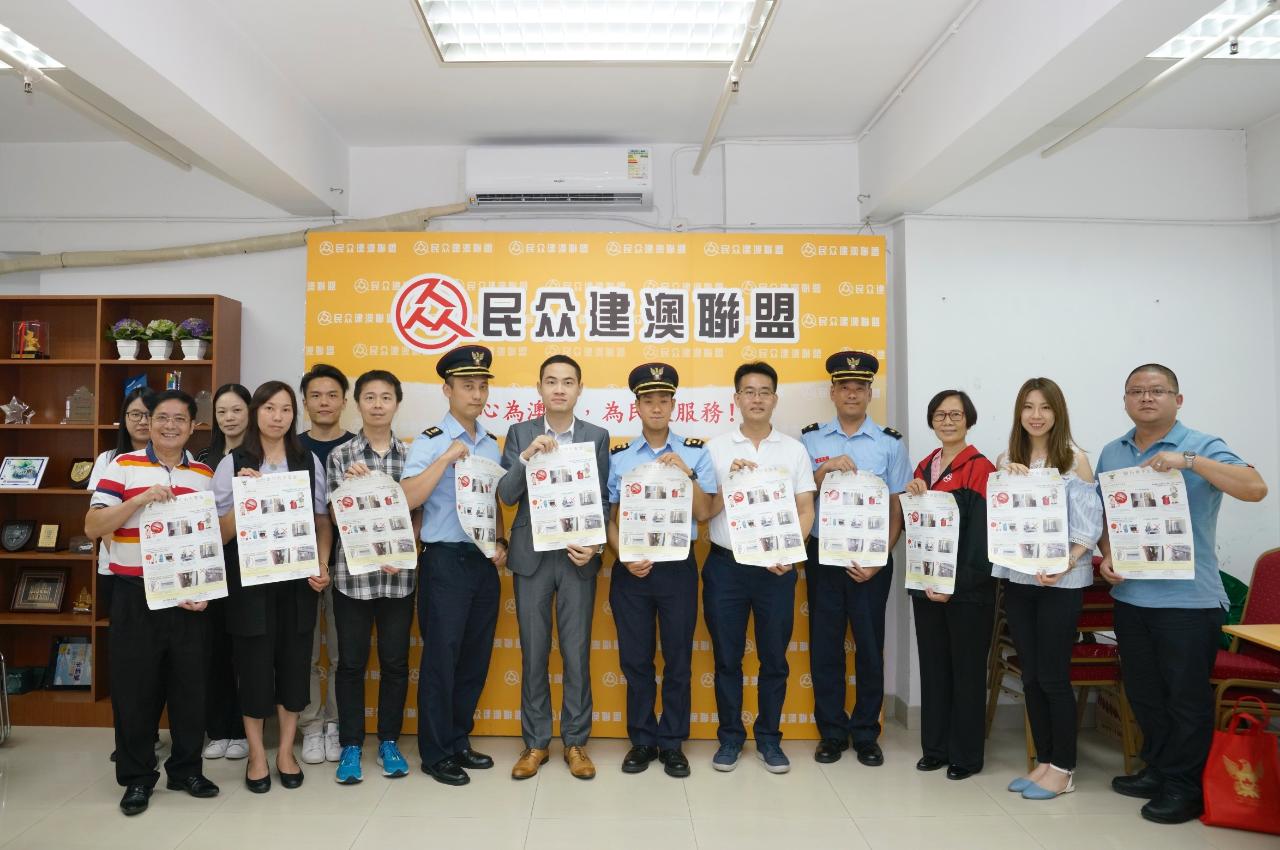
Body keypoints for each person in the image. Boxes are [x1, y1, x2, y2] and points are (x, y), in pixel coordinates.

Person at [1097, 364, 1266, 824]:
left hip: (1190, 602)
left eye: (1157, 390)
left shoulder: (1202, 445)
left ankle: (1186, 788)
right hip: (1132, 599)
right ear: (1125, 400)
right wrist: (1108, 554)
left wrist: (1188, 462)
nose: (1146, 398)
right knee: (1145, 694)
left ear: (1178, 399)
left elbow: (1255, 488)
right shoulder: (1113, 452)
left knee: (1186, 699)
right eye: (1136, 391)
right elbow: (1108, 518)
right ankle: (1158, 769)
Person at [85, 389, 220, 816]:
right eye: (161, 417)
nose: (169, 426)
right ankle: (137, 778)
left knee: (190, 689)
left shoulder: (204, 474)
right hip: (134, 595)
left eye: (180, 419)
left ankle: (186, 770)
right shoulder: (122, 466)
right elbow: (93, 526)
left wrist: (202, 588)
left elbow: (209, 539)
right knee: (134, 690)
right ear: (148, 421)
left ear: (193, 426)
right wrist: (139, 499)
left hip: (188, 598)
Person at [214, 381, 332, 793]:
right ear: (255, 413)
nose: (277, 417)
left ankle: (284, 751)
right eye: (269, 408)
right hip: (250, 585)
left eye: (285, 409)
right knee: (254, 667)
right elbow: (219, 533)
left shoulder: (307, 460)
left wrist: (322, 564)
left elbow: (321, 521)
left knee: (294, 666)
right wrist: (247, 494)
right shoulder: (232, 463)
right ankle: (256, 754)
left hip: (297, 583)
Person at [498, 355, 611, 781]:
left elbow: (603, 499)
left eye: (567, 382)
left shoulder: (596, 436)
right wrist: (526, 458)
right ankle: (536, 743)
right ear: (540, 388)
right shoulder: (520, 433)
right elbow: (507, 495)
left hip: (577, 556)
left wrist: (596, 546)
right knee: (534, 651)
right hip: (532, 556)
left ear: (579, 389)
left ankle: (576, 742)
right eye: (551, 381)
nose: (559, 389)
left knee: (576, 653)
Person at [400, 345, 507, 786]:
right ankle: (436, 751)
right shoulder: (429, 441)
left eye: (482, 386)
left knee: (474, 658)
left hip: (482, 563)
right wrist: (445, 458)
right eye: (467, 386)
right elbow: (407, 497)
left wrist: (501, 541)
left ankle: (459, 738)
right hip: (443, 560)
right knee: (441, 659)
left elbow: (493, 500)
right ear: (447, 390)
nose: (476, 394)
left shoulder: (492, 443)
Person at [606, 362, 717, 778]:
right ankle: (641, 740)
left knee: (677, 659)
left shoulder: (696, 452)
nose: (656, 407)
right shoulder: (621, 457)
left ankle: (672, 743)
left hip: (676, 568)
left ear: (674, 405)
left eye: (663, 400)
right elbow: (611, 518)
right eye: (648, 400)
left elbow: (704, 513)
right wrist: (623, 555)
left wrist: (686, 474)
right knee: (636, 661)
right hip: (631, 569)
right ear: (636, 407)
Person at [703, 362, 815, 774]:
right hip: (726, 567)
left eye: (764, 391)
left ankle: (769, 739)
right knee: (727, 659)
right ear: (736, 399)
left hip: (776, 570)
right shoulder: (715, 449)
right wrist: (726, 485)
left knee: (774, 659)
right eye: (748, 391)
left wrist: (791, 551)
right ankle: (730, 738)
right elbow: (703, 512)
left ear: (775, 399)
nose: (756, 398)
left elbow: (806, 508)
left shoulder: (793, 450)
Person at [993, 378, 1102, 800]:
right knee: (1032, 676)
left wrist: (1065, 563)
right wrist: (1004, 481)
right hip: (1021, 578)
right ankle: (1043, 760)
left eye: (1045, 407)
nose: (1035, 415)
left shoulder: (1075, 459)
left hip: (1062, 582)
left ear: (1058, 413)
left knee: (1054, 677)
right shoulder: (1008, 459)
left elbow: (1089, 528)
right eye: (1028, 407)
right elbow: (1002, 520)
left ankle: (1064, 768)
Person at [799, 351, 908, 767]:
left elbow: (897, 508)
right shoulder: (811, 441)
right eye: (844, 387)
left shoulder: (890, 443)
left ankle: (865, 732)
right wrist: (823, 470)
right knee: (825, 645)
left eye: (859, 387)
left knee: (869, 645)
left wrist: (881, 556)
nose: (851, 394)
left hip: (872, 560)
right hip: (823, 555)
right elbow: (799, 498)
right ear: (832, 392)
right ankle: (831, 732)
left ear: (869, 393)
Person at [326, 370, 417, 785]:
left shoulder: (411, 456)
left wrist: (404, 550)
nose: (378, 405)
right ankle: (350, 744)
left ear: (397, 403)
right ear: (357, 403)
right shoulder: (341, 456)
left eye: (385, 397)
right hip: (354, 576)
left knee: (396, 663)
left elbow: (418, 512)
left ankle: (389, 742)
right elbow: (332, 515)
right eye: (369, 397)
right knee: (351, 663)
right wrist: (349, 490)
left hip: (399, 577)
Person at [904, 390, 996, 780]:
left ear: (968, 420)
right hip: (926, 586)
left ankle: (966, 755)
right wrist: (911, 496)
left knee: (967, 671)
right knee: (934, 667)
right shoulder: (924, 467)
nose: (947, 421)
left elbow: (982, 538)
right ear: (931, 421)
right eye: (940, 415)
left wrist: (955, 585)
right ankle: (935, 748)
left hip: (967, 590)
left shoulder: (981, 468)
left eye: (955, 414)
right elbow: (917, 527)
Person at [297, 364, 354, 765]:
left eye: (332, 395)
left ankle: (335, 723)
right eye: (315, 395)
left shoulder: (356, 448)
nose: (324, 402)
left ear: (344, 401)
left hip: (349, 566)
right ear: (304, 402)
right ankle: (309, 726)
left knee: (339, 653)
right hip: (297, 565)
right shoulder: (291, 448)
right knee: (301, 650)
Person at [196, 383, 251, 762]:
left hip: (248, 562)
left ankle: (243, 730)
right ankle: (218, 729)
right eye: (222, 412)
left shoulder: (261, 456)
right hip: (210, 561)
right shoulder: (203, 458)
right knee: (214, 648)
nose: (229, 418)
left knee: (244, 650)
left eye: (236, 410)